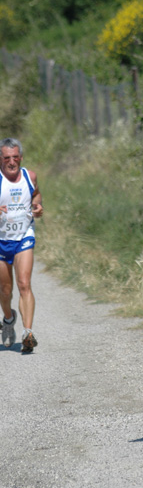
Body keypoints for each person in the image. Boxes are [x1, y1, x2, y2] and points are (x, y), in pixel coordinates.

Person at [0, 137, 43, 352]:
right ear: (0, 158)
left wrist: (37, 206)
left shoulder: (30, 176)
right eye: (6, 157)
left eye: (15, 157)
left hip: (24, 235)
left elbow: (36, 195)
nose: (11, 162)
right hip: (0, 241)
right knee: (5, 291)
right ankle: (8, 320)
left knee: (24, 283)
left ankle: (28, 333)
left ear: (21, 157)